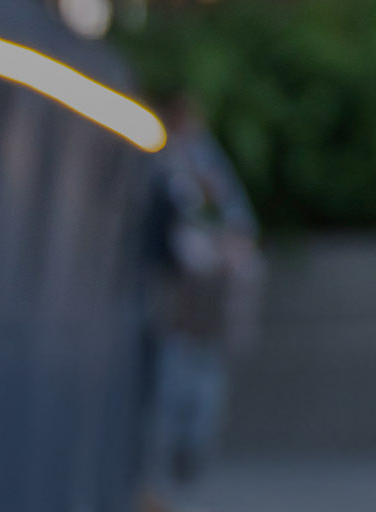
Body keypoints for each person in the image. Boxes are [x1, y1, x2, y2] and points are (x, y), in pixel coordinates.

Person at [134, 92, 263, 512]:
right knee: (171, 402)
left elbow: (237, 226)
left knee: (193, 400)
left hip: (204, 312)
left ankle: (167, 483)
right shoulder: (167, 164)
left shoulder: (202, 166)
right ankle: (158, 489)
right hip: (179, 310)